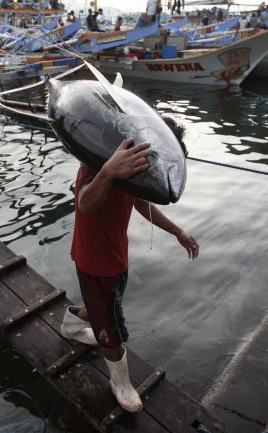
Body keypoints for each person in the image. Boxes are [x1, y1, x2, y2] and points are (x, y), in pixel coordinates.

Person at [60, 138, 199, 412]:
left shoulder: (132, 170)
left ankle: (71, 323)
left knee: (105, 306)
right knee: (111, 331)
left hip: (117, 258)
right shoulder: (99, 162)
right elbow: (85, 202)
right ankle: (120, 382)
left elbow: (139, 203)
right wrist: (108, 171)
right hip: (95, 263)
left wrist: (177, 232)